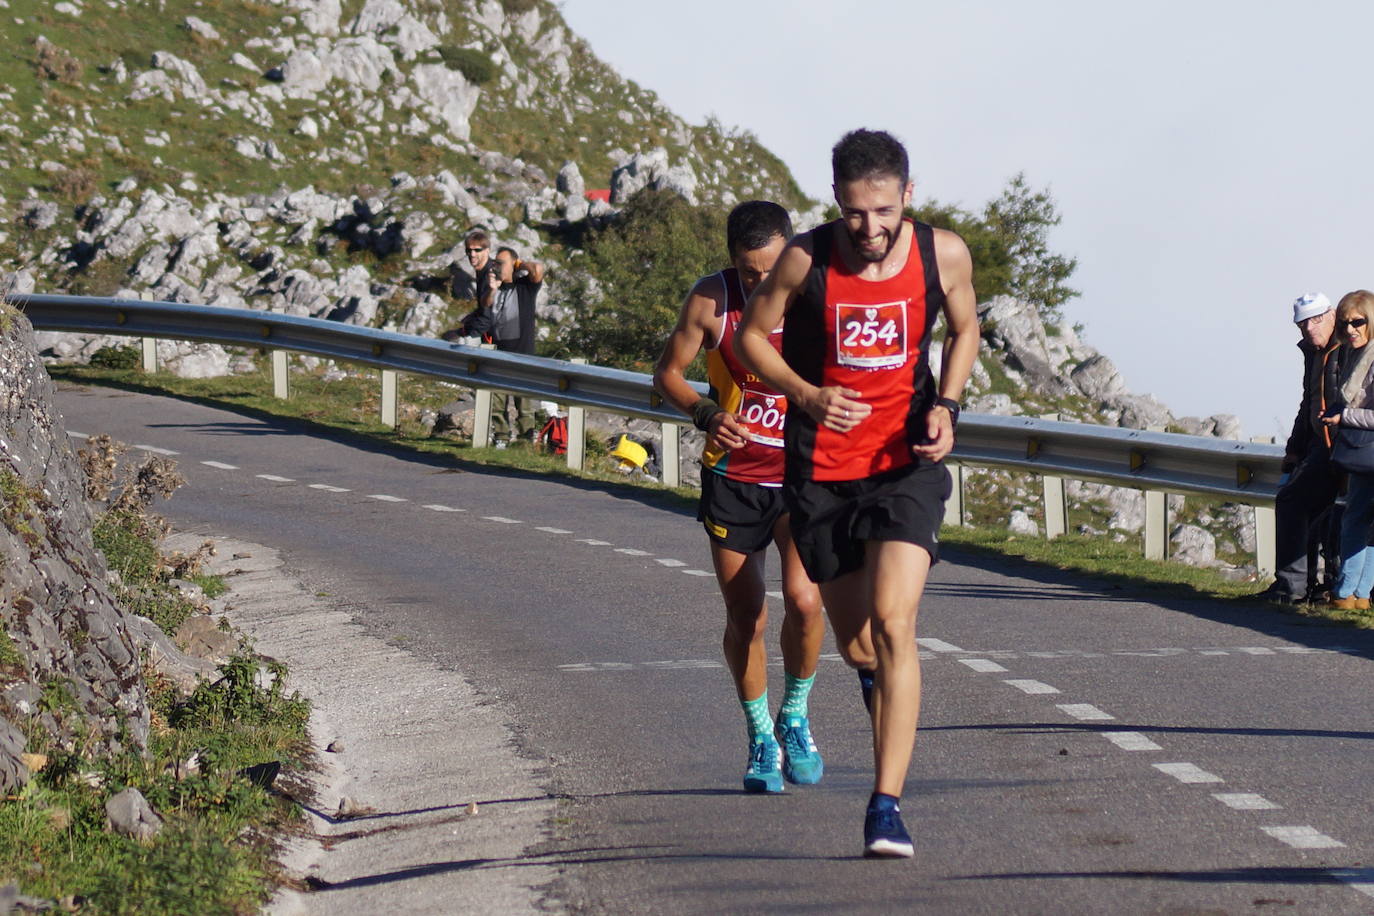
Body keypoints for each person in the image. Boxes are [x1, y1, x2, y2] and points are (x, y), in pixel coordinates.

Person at [736, 129, 979, 858]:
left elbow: (964, 329)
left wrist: (951, 405)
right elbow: (752, 337)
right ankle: (878, 698)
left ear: (908, 195)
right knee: (859, 646)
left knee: (894, 620)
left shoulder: (945, 253)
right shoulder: (805, 259)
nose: (870, 229)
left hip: (905, 464)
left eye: (883, 211)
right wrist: (805, 394)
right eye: (853, 213)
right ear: (835, 203)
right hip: (824, 474)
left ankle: (885, 805)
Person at [652, 200, 827, 794]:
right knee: (746, 616)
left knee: (804, 601)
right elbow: (667, 373)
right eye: (749, 272)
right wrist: (705, 412)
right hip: (734, 476)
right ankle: (759, 737)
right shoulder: (710, 300)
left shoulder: (816, 294)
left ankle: (796, 716)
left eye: (771, 269)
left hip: (804, 474)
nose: (761, 282)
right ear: (732, 263)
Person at [1257, 293, 1340, 605]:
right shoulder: (1315, 352)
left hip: (1343, 446)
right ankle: (1302, 586)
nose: (1310, 328)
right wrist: (1294, 447)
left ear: (1332, 315)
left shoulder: (1347, 348)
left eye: (1317, 319)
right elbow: (1309, 402)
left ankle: (1296, 587)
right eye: (1303, 323)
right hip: (1322, 445)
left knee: (1298, 503)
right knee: (1307, 508)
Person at [1321, 290, 1374, 609]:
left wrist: (1345, 415)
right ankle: (1359, 595)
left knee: (1355, 519)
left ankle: (1344, 593)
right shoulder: (1354, 354)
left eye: (1358, 322)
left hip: (1367, 450)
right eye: (1345, 323)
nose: (1351, 329)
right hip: (1364, 451)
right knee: (1363, 520)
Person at [485, 246, 546, 445]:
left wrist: (520, 265)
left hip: (523, 356)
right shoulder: (494, 288)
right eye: (495, 262)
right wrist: (492, 289)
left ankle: (525, 441)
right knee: (497, 404)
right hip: (499, 355)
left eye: (501, 263)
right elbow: (484, 308)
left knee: (525, 406)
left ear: (514, 264)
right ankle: (501, 438)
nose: (496, 266)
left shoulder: (525, 287)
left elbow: (537, 269)